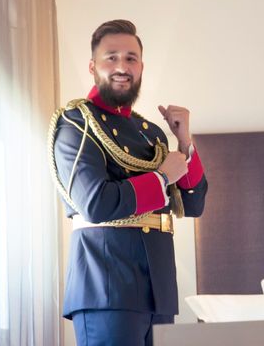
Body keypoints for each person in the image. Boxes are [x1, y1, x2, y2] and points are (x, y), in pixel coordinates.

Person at [48, 19, 208, 346]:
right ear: (93, 67)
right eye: (112, 57)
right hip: (108, 284)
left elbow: (193, 204)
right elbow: (95, 204)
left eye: (131, 58)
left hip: (157, 286)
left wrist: (184, 142)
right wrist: (162, 177)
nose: (122, 66)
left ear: (141, 67)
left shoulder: (150, 132)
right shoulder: (77, 123)